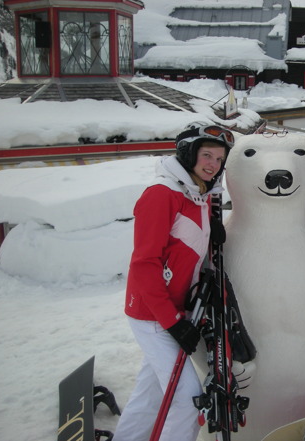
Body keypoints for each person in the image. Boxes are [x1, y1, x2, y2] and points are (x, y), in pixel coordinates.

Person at [113, 121, 234, 441]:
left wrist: (212, 230)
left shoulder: (199, 192)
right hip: (153, 314)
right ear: (187, 154)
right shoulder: (161, 195)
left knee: (150, 393)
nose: (213, 165)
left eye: (219, 159)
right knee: (187, 401)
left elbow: (184, 243)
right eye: (207, 155)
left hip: (175, 310)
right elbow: (144, 264)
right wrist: (172, 322)